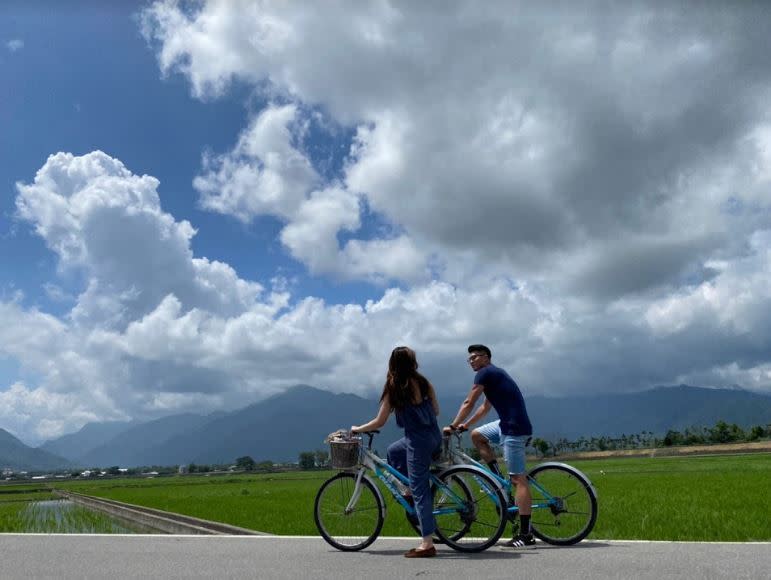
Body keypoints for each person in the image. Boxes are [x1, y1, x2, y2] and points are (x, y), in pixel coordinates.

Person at [351, 346, 442, 558]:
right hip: (433, 436)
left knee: (420, 491)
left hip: (417, 441)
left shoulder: (395, 386)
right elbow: (436, 411)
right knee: (394, 451)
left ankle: (427, 543)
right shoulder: (424, 382)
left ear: (393, 363)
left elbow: (380, 421)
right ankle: (409, 489)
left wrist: (358, 429)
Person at [444, 344, 535, 549]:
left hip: (514, 429)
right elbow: (485, 407)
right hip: (505, 424)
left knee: (518, 479)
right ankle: (497, 479)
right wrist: (465, 426)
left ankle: (526, 533)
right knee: (477, 435)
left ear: (486, 358)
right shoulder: (494, 375)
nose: (472, 361)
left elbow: (469, 401)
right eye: (470, 359)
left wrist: (452, 425)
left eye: (476, 357)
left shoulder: (486, 373)